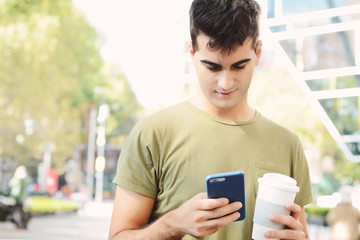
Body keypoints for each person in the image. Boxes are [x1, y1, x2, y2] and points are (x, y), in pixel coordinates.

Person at [108, 0, 313, 239]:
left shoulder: (288, 145)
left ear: (258, 53)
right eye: (212, 67)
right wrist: (173, 224)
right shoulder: (152, 134)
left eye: (239, 66)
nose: (225, 83)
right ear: (192, 52)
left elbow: (301, 232)